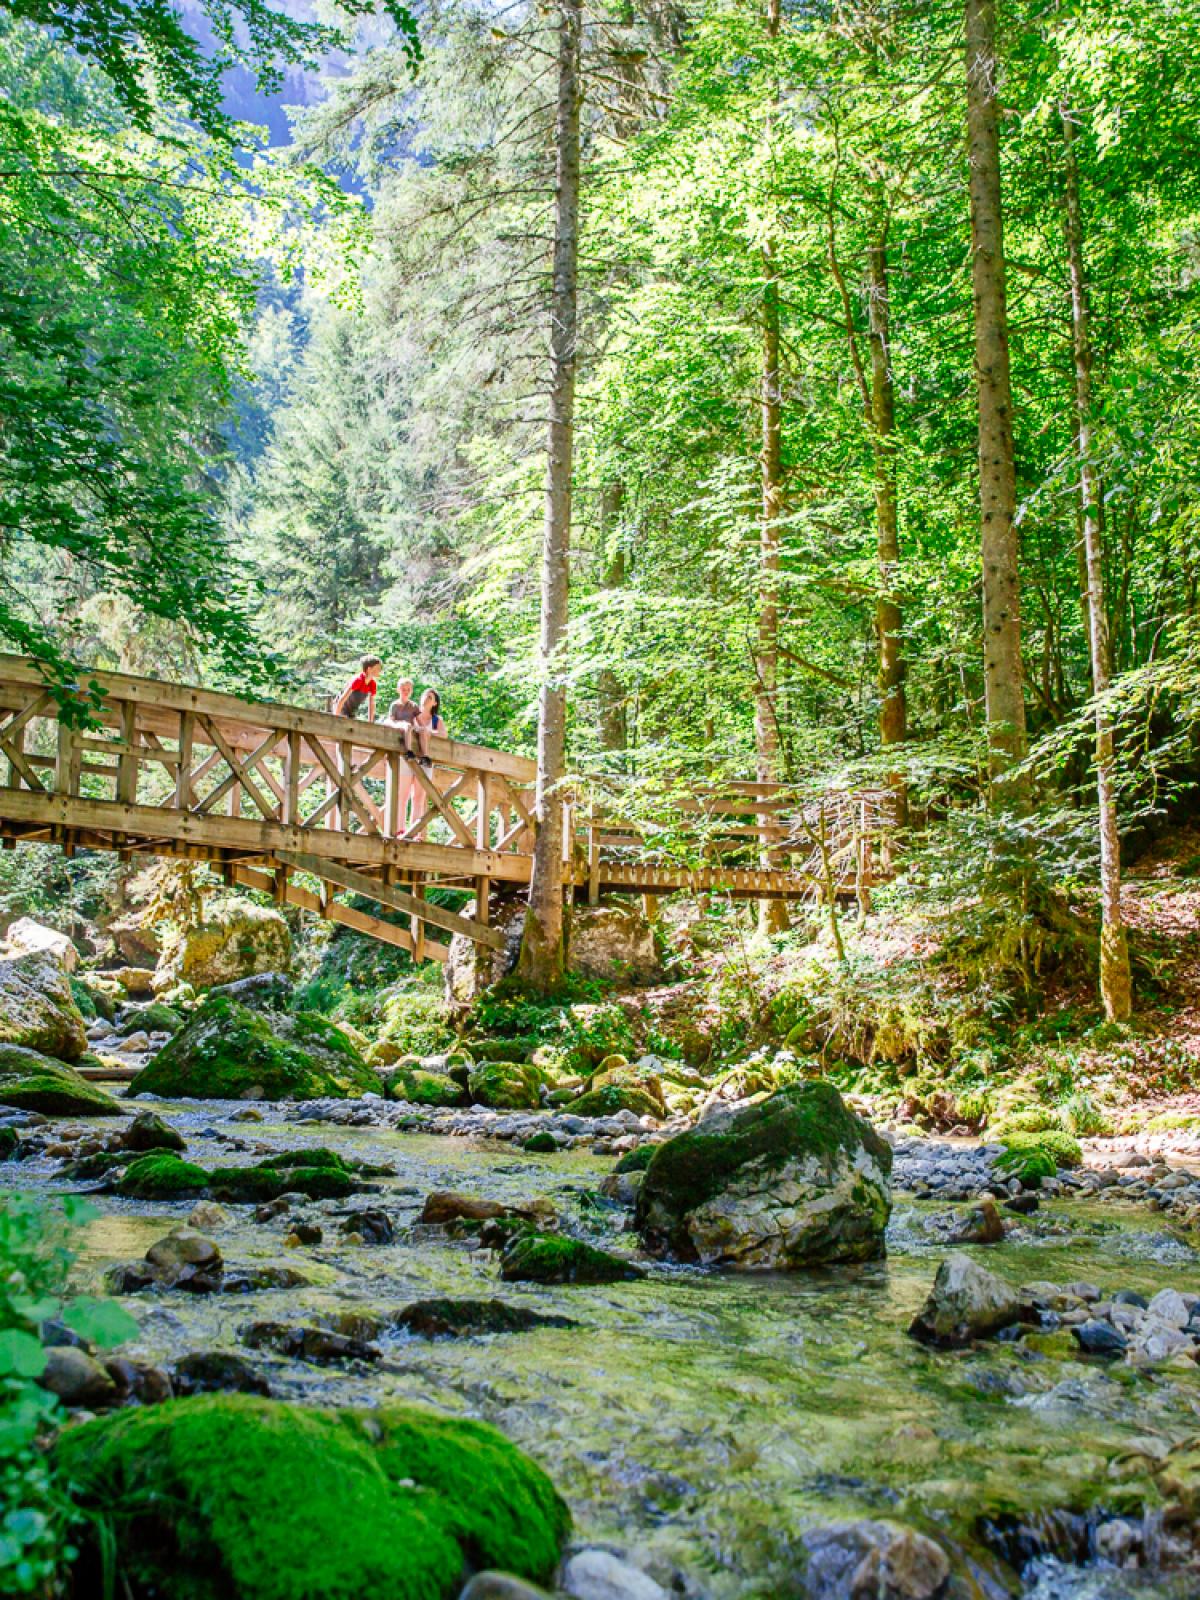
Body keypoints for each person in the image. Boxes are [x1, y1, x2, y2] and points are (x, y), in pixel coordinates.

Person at [333, 655, 382, 721]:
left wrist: (370, 722)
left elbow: (371, 704)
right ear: (369, 669)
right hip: (340, 708)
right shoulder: (358, 680)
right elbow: (342, 699)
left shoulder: (372, 684)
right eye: (378, 668)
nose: (380, 670)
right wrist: (335, 718)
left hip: (351, 712)